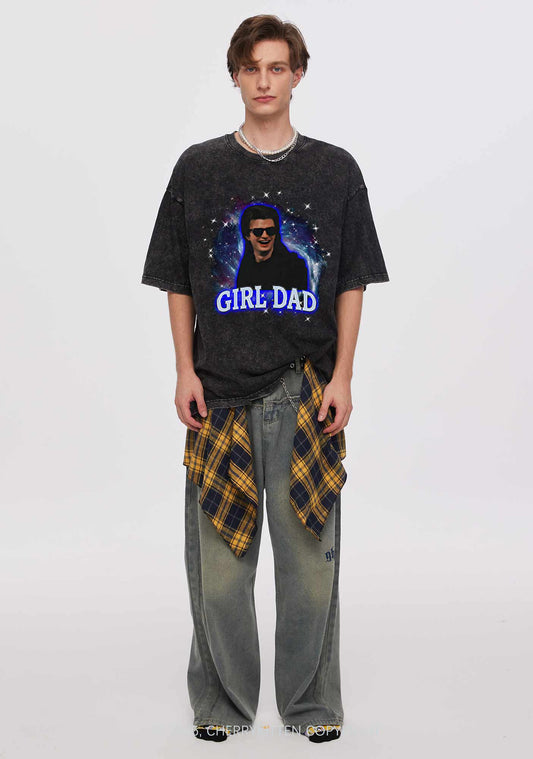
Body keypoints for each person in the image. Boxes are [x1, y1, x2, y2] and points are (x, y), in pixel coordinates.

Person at [141, 14, 390, 743]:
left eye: (277, 67)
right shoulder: (199, 168)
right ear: (235, 75)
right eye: (251, 67)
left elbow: (351, 281)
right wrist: (183, 368)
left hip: (304, 390)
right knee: (220, 567)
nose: (263, 81)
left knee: (310, 564)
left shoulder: (335, 171)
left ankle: (311, 704)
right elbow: (177, 278)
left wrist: (343, 376)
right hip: (218, 392)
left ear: (297, 75)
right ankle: (222, 702)